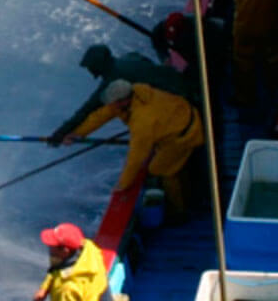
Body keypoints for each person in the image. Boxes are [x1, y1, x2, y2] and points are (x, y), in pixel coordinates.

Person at [56, 79, 206, 218]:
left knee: (160, 169)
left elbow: (136, 157)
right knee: (166, 161)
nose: (110, 106)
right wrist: (78, 134)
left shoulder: (142, 121)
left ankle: (178, 210)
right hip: (179, 115)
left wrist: (123, 184)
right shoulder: (135, 92)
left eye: (113, 103)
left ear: (124, 101)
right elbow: (100, 115)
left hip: (185, 134)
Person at [45, 43, 192, 146]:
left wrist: (60, 133)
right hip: (182, 81)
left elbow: (87, 110)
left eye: (90, 67)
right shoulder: (129, 57)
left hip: (180, 102)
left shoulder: (114, 79)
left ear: (98, 66)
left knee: (112, 107)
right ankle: (78, 133)